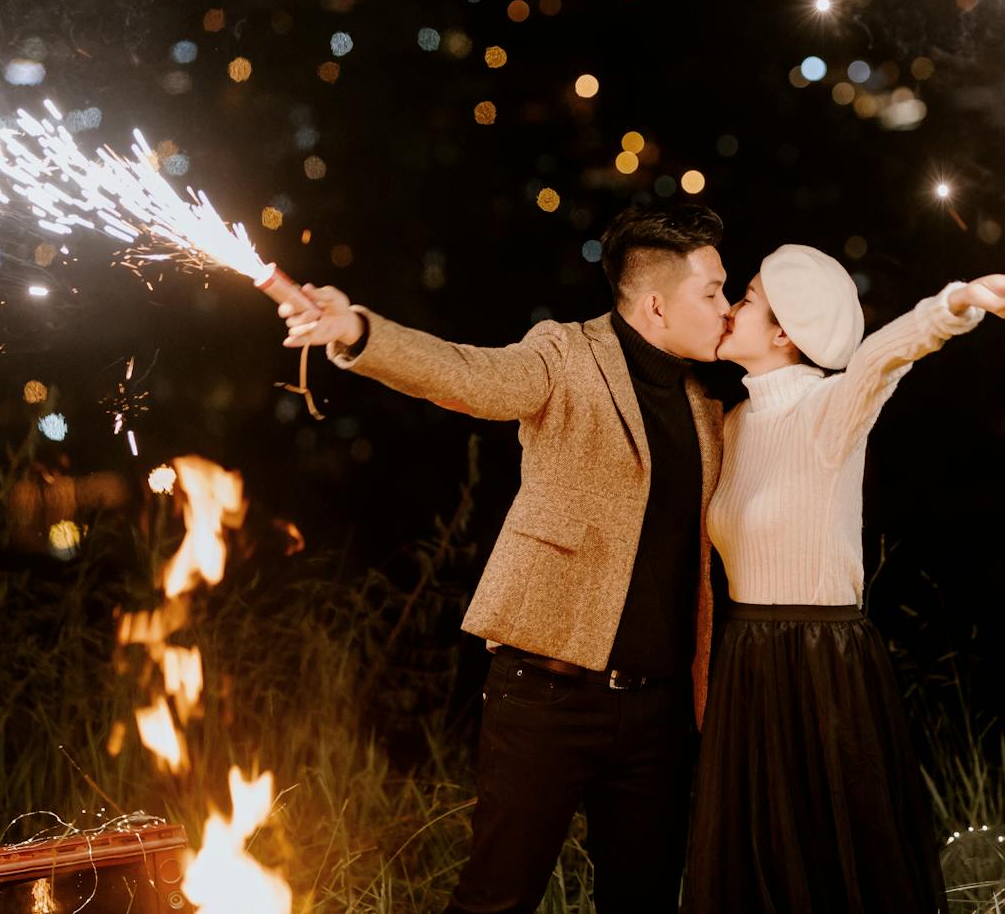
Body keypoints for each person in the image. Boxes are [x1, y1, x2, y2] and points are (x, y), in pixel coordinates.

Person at [280, 204, 731, 914]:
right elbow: (467, 375)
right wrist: (357, 330)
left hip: (662, 711)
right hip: (548, 695)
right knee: (496, 899)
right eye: (712, 292)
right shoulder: (565, 354)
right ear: (655, 302)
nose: (726, 309)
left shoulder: (705, 404)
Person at [683, 244, 1005, 914]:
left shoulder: (827, 409)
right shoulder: (730, 424)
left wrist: (961, 298)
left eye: (749, 296)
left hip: (818, 665)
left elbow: (885, 356)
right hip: (746, 662)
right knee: (750, 868)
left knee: (828, 867)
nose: (732, 307)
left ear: (784, 329)